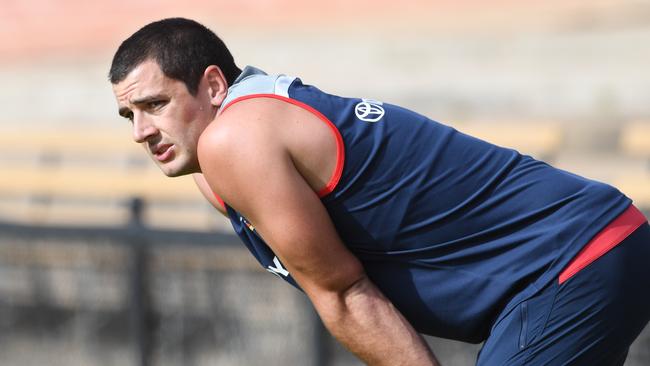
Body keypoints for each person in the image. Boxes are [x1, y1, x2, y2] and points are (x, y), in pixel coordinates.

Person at [109, 18, 650, 366]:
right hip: (580, 259)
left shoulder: (236, 137)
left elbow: (344, 294)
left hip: (574, 259)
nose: (140, 131)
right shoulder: (216, 163)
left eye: (154, 104)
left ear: (213, 86)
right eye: (128, 114)